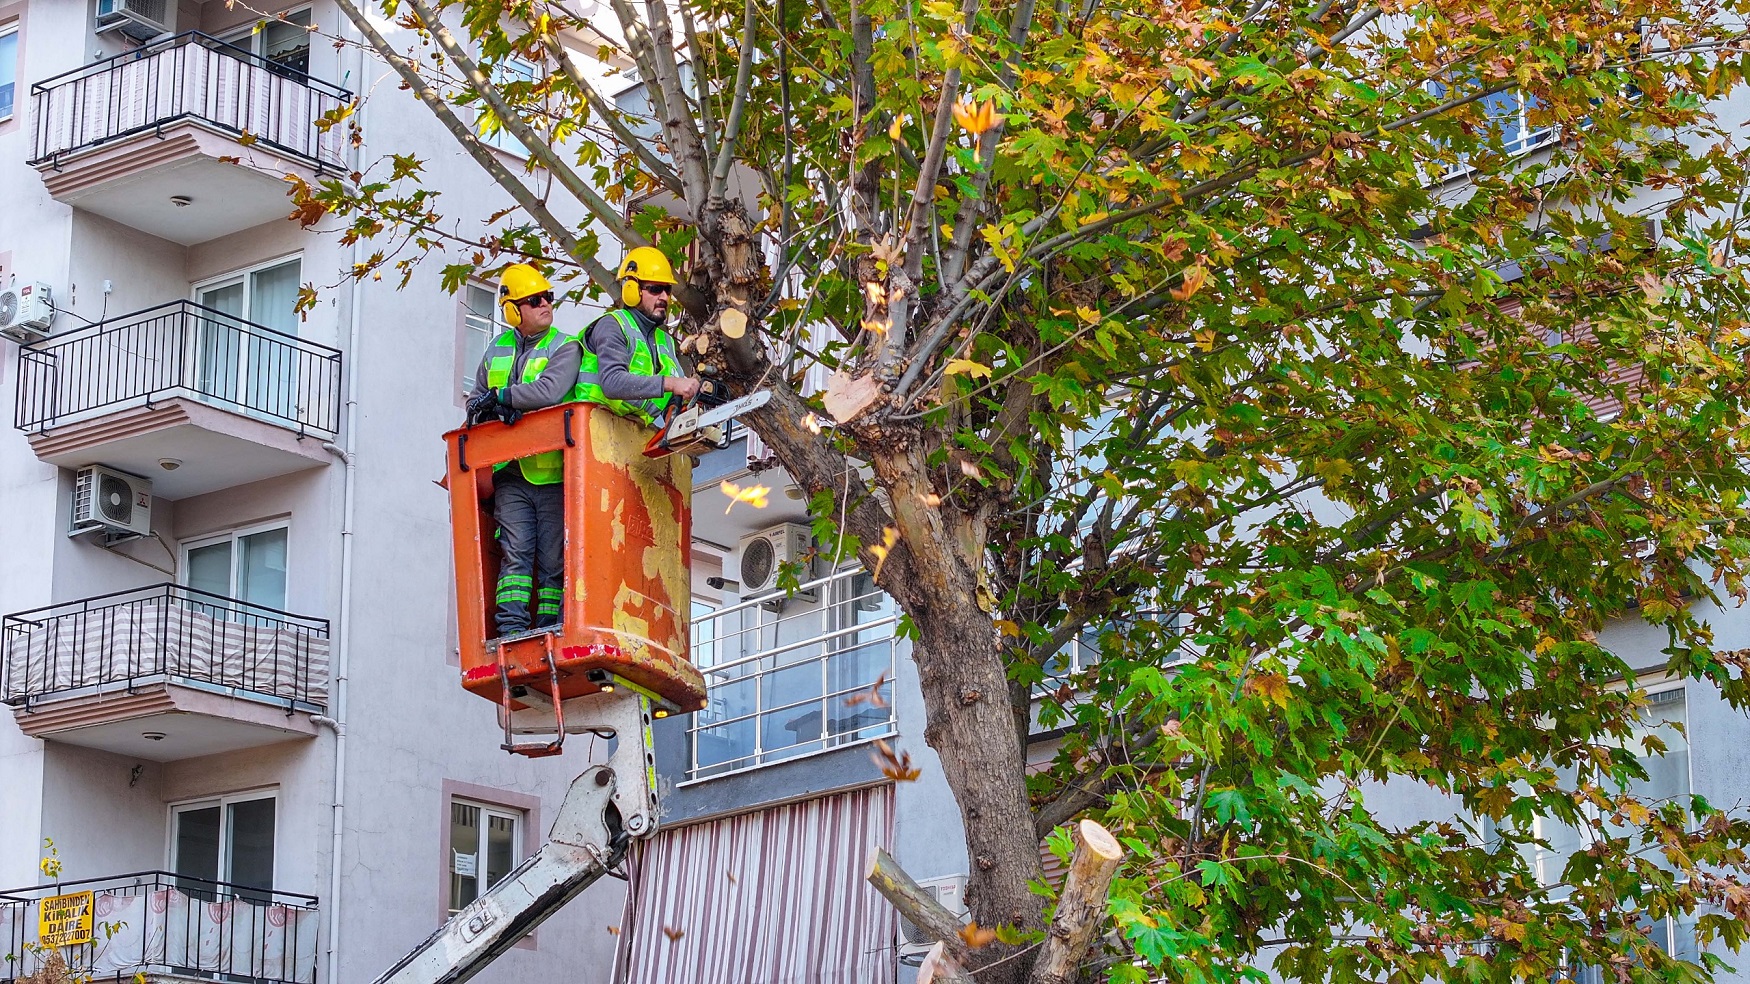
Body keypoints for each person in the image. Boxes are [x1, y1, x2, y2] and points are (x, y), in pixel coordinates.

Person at [466, 263, 580, 637]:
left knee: (551, 559)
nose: (546, 303)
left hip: (551, 474)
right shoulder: (496, 349)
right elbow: (475, 403)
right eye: (535, 300)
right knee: (515, 554)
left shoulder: (565, 346)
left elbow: (550, 391)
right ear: (514, 310)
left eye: (548, 297)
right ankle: (511, 628)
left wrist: (504, 397)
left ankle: (548, 628)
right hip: (510, 475)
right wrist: (492, 406)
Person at [574, 246, 701, 422]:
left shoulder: (665, 341)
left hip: (633, 435)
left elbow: (671, 398)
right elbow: (612, 382)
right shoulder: (613, 325)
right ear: (632, 290)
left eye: (667, 290)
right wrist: (672, 383)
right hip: (593, 425)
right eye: (656, 289)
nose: (664, 297)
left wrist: (677, 414)